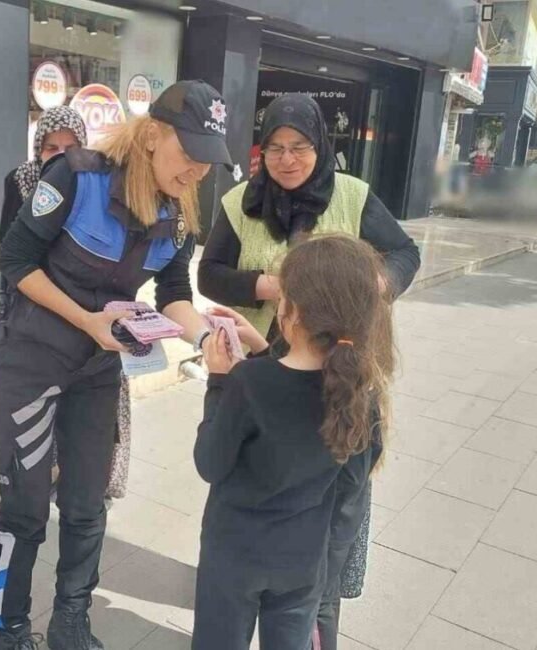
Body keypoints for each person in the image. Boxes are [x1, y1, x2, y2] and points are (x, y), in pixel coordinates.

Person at [0, 80, 234, 650]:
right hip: (27, 362)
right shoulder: (76, 176)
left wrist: (206, 338)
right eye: (189, 154)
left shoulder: (180, 212)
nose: (197, 171)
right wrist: (86, 319)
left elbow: (174, 292)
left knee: (87, 504)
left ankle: (71, 621)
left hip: (96, 371)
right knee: (24, 508)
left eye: (207, 161)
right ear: (151, 135)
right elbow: (15, 259)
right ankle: (9, 629)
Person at [197, 93, 419, 650]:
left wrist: (367, 290)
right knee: (295, 502)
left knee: (330, 528)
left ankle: (322, 607)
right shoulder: (239, 202)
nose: (287, 159)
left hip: (334, 370)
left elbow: (404, 254)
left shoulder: (353, 196)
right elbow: (210, 274)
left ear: (321, 145)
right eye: (275, 148)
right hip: (270, 365)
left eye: (299, 147)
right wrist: (267, 288)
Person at [191, 235, 391, 650]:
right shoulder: (358, 392)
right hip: (303, 558)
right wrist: (261, 346)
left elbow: (209, 462)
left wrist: (218, 381)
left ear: (291, 312)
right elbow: (350, 486)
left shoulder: (248, 383)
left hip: (235, 553)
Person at [0, 107, 131, 503]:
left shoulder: (95, 186)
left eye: (72, 147)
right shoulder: (21, 181)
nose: (62, 155)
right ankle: (37, 481)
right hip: (32, 310)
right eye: (52, 147)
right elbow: (10, 255)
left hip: (87, 323)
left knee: (86, 421)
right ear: (38, 148)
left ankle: (83, 480)